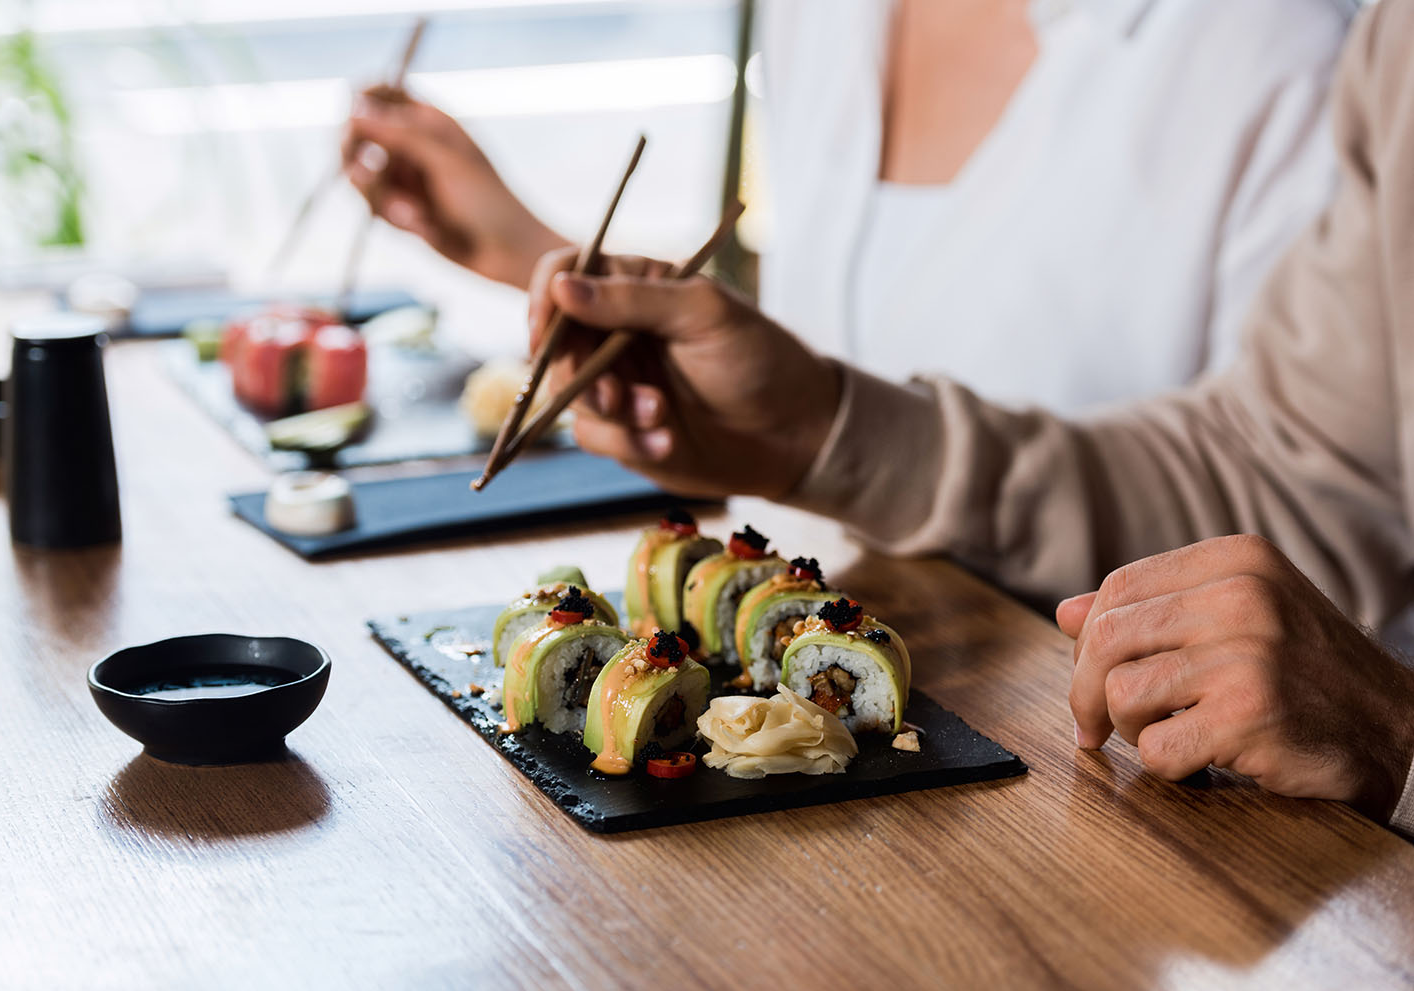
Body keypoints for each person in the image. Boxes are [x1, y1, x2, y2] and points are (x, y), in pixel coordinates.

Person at [519, 0, 1414, 832]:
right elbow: (1299, 463)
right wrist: (820, 430)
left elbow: (1339, 603)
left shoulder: (1280, 42)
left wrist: (1397, 730)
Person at [342, 0, 1352, 414]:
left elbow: (1320, 554)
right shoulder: (823, 13)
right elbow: (827, 366)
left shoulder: (1275, 59)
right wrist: (530, 248)